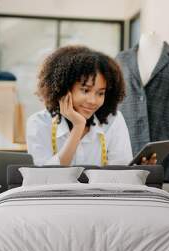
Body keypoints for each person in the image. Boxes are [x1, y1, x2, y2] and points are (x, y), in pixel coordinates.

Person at [26, 45, 157, 166]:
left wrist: (139, 172)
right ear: (64, 88)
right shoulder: (39, 123)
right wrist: (78, 127)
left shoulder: (113, 121)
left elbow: (120, 174)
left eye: (100, 93)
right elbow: (45, 179)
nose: (93, 101)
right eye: (85, 90)